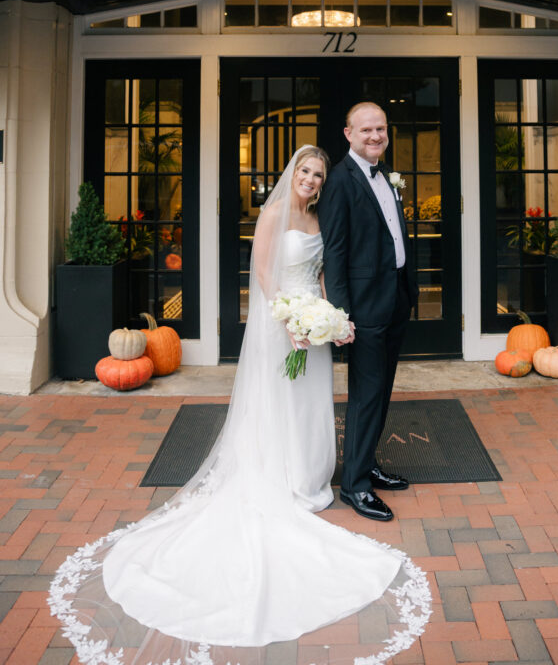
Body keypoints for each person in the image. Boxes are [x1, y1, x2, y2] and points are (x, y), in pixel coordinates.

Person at [48, 145, 430, 665]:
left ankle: (307, 478)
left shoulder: (319, 215)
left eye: (318, 175)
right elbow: (264, 276)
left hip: (310, 328)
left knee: (309, 403)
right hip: (280, 327)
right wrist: (290, 319)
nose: (312, 181)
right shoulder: (273, 214)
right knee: (277, 403)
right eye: (306, 172)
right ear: (292, 172)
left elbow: (321, 271)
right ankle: (277, 477)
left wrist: (326, 316)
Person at [318, 102, 417, 522]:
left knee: (382, 390)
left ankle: (368, 463)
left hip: (395, 297)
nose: (375, 136)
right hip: (364, 306)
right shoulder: (340, 181)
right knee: (364, 396)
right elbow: (335, 251)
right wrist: (342, 316)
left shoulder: (384, 174)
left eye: (380, 128)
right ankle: (355, 486)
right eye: (366, 130)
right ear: (348, 134)